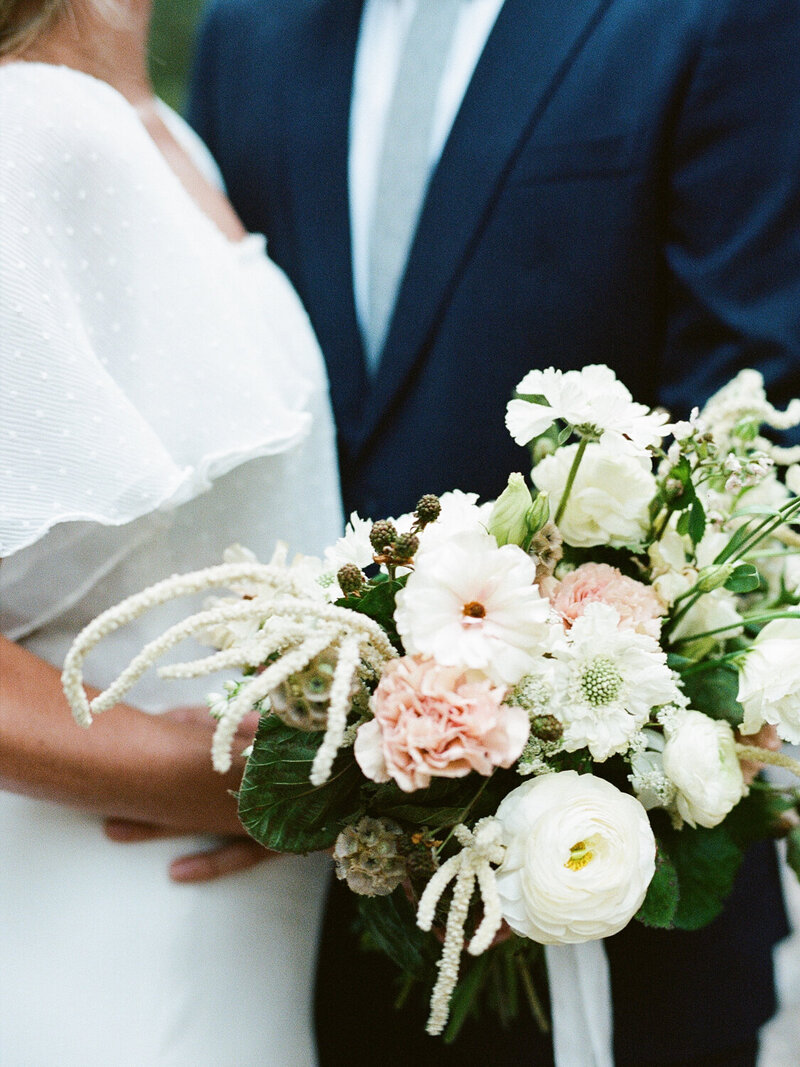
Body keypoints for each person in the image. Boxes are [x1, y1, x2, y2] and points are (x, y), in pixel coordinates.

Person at [187, 0, 800, 1064]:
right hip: (293, 902)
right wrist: (296, 767)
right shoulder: (247, 28)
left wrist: (542, 791)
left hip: (599, 890)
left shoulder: (715, 18)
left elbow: (747, 415)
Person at [0, 0, 343, 1062]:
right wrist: (207, 776)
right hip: (109, 885)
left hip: (238, 900)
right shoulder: (36, 128)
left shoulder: (158, 126)